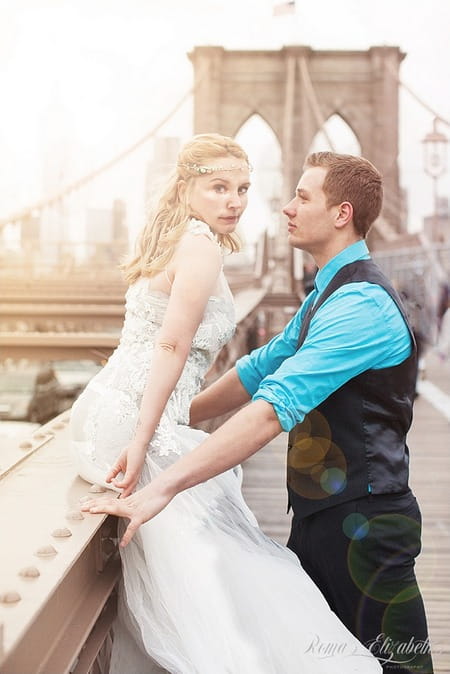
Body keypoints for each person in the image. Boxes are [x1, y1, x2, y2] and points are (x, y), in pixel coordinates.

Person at [73, 137, 381, 674]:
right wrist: (148, 437)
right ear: (186, 185)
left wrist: (173, 419)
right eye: (218, 187)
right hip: (137, 424)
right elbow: (170, 345)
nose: (234, 201)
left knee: (182, 573)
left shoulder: (175, 239)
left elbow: (255, 366)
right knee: (213, 576)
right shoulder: (203, 247)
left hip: (115, 409)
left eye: (242, 188)